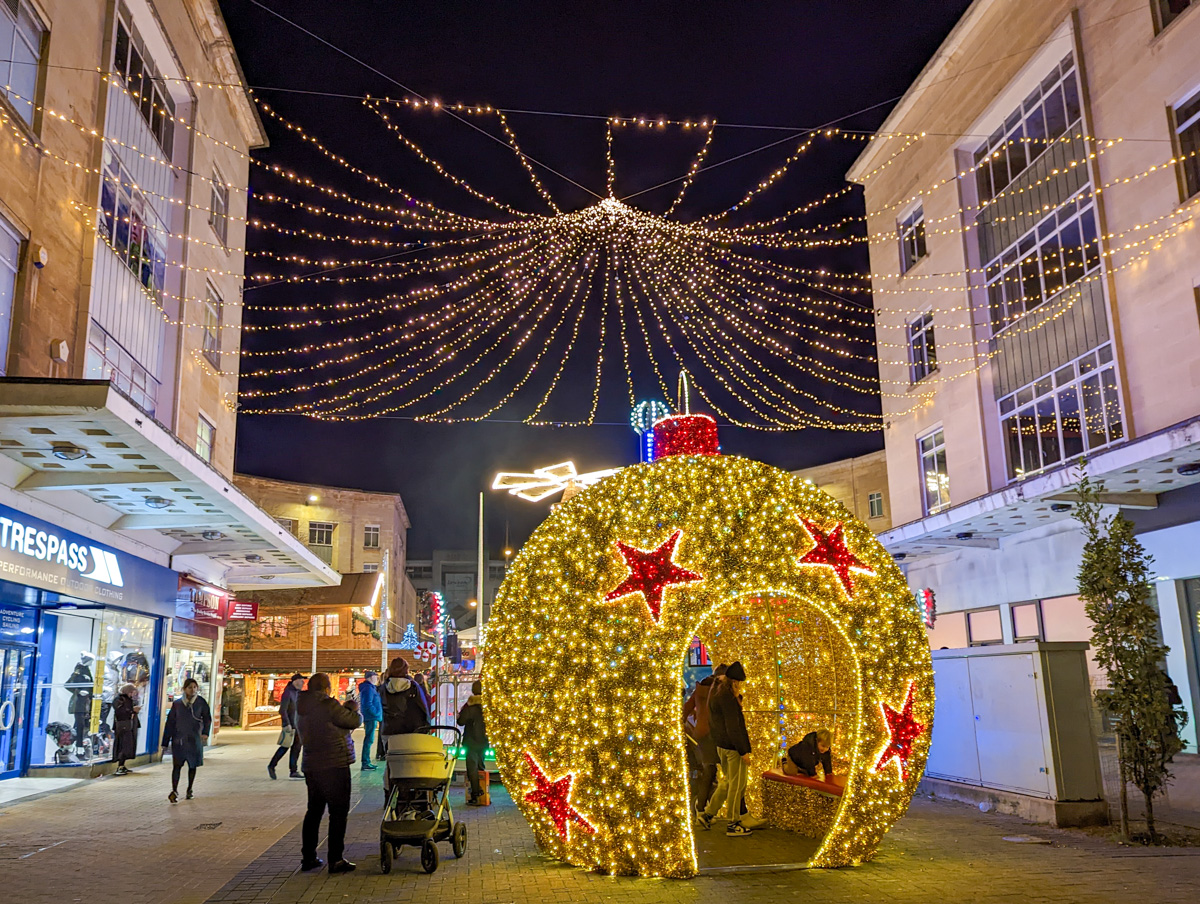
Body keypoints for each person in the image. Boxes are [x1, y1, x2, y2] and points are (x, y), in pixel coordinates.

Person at [297, 672, 361, 874]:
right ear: (326, 688)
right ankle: (335, 859)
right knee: (338, 812)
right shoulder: (329, 705)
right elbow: (353, 721)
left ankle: (308, 857)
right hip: (334, 764)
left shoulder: (302, 707)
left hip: (311, 764)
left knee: (314, 811)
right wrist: (352, 709)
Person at [698, 661, 762, 836]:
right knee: (737, 785)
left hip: (721, 745)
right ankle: (733, 823)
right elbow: (734, 726)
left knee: (727, 782)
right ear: (734, 682)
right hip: (733, 748)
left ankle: (709, 814)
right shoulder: (727, 698)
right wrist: (743, 751)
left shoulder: (715, 692)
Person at [683, 664, 726, 815]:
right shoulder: (719, 690)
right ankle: (702, 807)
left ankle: (703, 806)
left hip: (699, 733)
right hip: (713, 734)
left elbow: (686, 708)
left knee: (710, 769)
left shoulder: (700, 689)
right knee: (713, 771)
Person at [161, 677, 211, 802]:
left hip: (194, 739)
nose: (192, 690)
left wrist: (205, 733)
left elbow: (207, 718)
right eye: (190, 687)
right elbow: (170, 723)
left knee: (192, 766)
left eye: (195, 687)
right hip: (179, 739)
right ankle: (174, 790)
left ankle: (190, 789)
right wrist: (165, 742)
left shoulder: (201, 702)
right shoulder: (177, 704)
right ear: (184, 689)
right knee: (177, 766)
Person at [379, 657, 429, 743]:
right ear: (406, 670)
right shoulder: (413, 686)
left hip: (389, 729)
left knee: (391, 755)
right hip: (411, 730)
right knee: (409, 755)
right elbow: (422, 707)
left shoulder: (384, 687)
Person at [268, 673, 305, 780]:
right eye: (301, 680)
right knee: (285, 746)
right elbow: (283, 710)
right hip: (291, 725)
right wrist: (286, 723)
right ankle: (272, 765)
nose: (303, 683)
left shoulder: (298, 693)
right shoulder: (288, 693)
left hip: (298, 725)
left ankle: (293, 771)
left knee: (296, 748)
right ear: (295, 681)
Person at [457, 679, 488, 805]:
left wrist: (460, 715)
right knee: (481, 765)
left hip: (471, 740)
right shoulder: (487, 705)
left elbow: (461, 722)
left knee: (472, 768)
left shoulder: (470, 706)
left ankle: (476, 794)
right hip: (484, 740)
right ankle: (484, 794)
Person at [111, 683, 140, 775]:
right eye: (131, 692)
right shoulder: (119, 699)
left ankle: (122, 765)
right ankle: (120, 766)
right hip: (123, 726)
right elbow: (120, 712)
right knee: (122, 745)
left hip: (128, 725)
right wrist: (132, 710)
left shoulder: (128, 700)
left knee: (127, 745)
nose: (132, 694)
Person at [357, 670, 382, 771]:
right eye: (376, 677)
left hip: (371, 717)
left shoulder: (370, 688)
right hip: (370, 717)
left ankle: (366, 762)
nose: (377, 679)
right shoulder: (368, 689)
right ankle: (365, 762)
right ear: (371, 677)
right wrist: (376, 713)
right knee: (369, 739)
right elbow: (368, 704)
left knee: (369, 739)